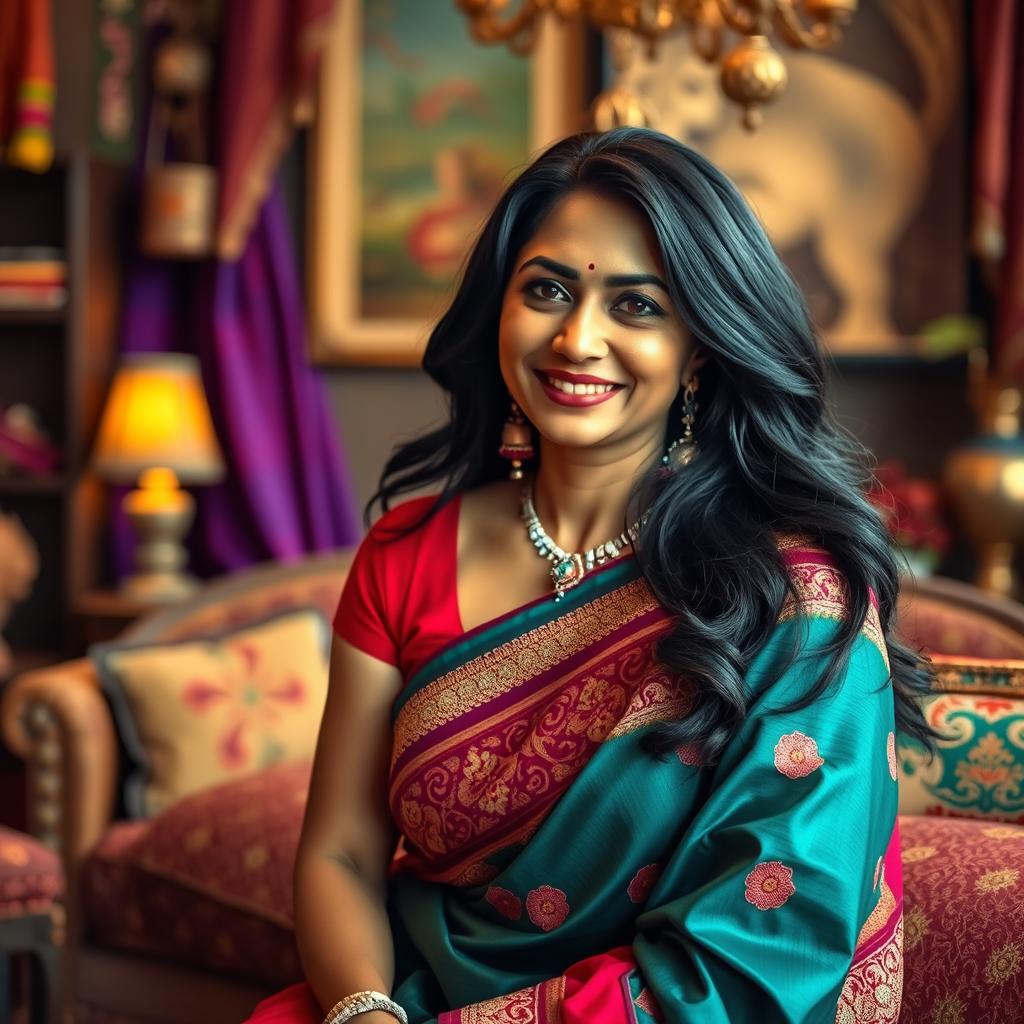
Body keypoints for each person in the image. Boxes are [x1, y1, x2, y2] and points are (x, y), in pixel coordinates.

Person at [246, 127, 936, 1024]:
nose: (578, 338)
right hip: (414, 996)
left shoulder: (793, 594)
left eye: (637, 307)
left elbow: (763, 939)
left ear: (700, 344)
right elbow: (339, 851)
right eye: (546, 290)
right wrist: (366, 1011)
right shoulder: (405, 554)